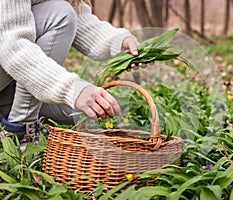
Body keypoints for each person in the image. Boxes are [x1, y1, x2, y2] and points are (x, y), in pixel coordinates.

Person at [0, 0, 140, 141]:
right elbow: (13, 47)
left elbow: (78, 18)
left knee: (84, 111)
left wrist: (119, 42)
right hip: (10, 59)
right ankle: (20, 129)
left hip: (9, 81)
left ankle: (8, 112)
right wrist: (72, 89)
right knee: (60, 13)